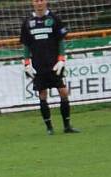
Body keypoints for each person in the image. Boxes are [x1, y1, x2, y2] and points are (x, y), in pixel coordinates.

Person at [20, 0, 80, 135]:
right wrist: (27, 62)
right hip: (38, 64)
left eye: (41, 0)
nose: (39, 3)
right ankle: (49, 128)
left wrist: (61, 59)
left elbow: (60, 40)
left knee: (63, 92)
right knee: (42, 95)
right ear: (33, 3)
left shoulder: (54, 19)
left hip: (54, 64)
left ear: (45, 2)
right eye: (36, 1)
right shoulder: (28, 22)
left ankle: (67, 125)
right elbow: (26, 44)